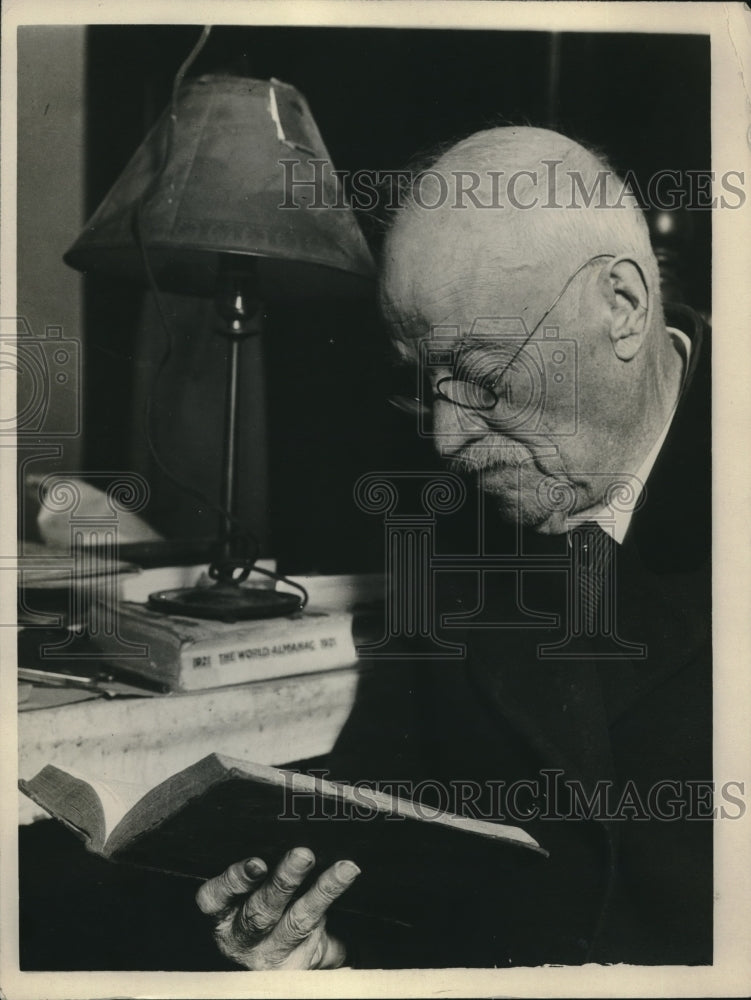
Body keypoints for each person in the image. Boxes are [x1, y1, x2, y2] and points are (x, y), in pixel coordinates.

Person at [195, 127, 712, 969]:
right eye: (421, 379)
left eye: (483, 377)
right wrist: (322, 942)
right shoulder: (451, 517)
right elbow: (392, 819)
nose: (445, 437)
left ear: (620, 306)